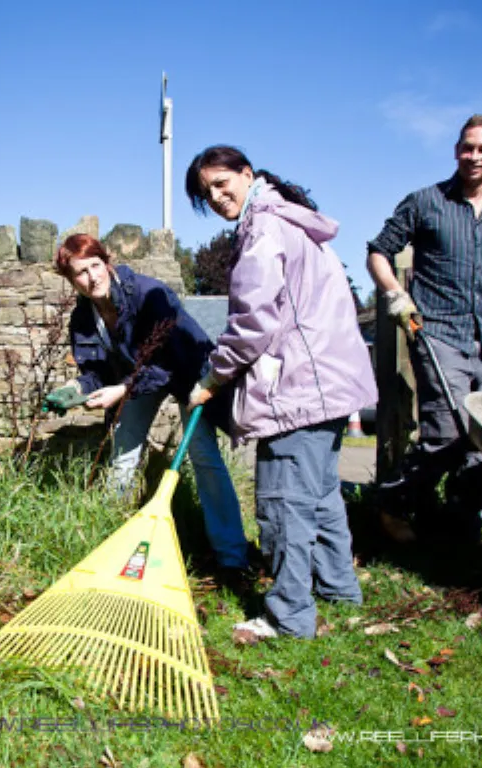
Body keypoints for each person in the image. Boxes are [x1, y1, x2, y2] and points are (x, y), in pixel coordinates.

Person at [184, 145, 377, 639]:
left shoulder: (264, 231)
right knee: (321, 493)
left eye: (222, 183)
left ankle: (289, 616)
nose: (217, 196)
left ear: (247, 175)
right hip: (329, 382)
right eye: (208, 193)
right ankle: (338, 588)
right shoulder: (292, 221)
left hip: (299, 387)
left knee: (284, 502)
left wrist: (212, 377)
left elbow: (252, 323)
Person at [366, 114, 482, 543]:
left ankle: (461, 519)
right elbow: (378, 252)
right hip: (436, 331)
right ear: (457, 150)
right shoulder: (426, 201)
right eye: (467, 147)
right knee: (446, 432)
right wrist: (394, 294)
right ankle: (390, 502)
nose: (474, 156)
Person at [49, 233, 249, 583]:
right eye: (81, 272)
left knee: (203, 454)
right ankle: (108, 541)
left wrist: (121, 389)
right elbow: (96, 371)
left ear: (107, 263)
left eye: (96, 266)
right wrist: (75, 387)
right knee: (124, 452)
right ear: (70, 280)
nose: (92, 277)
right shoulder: (84, 318)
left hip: (189, 371)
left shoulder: (147, 293)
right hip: (138, 378)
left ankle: (232, 558)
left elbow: (169, 361)